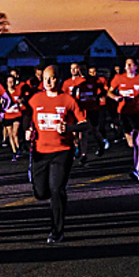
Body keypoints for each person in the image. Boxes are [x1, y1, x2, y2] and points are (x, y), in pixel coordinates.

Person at [23, 66, 87, 243]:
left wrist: (70, 128)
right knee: (41, 193)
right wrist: (27, 129)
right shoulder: (36, 99)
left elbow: (85, 123)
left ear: (58, 79)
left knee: (56, 189)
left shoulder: (68, 100)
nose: (48, 82)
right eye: (45, 79)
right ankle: (48, 189)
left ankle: (57, 230)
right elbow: (27, 116)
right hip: (40, 152)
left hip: (62, 151)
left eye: (51, 79)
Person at [108, 58, 139, 182]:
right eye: (126, 64)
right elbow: (109, 92)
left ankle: (136, 169)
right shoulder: (118, 78)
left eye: (130, 64)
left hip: (138, 111)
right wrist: (116, 97)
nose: (127, 67)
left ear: (136, 67)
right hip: (123, 112)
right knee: (131, 143)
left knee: (136, 139)